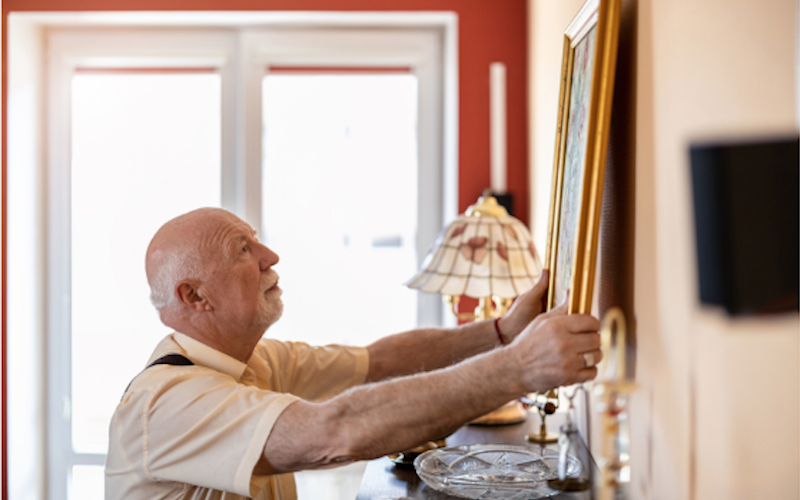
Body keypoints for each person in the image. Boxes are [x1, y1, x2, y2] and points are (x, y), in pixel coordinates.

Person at [105, 207, 602, 500]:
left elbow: (379, 362)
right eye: (242, 250)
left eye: (256, 242)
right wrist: (517, 368)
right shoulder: (164, 403)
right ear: (195, 297)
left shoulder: (256, 363)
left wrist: (501, 332)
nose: (270, 257)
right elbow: (333, 433)